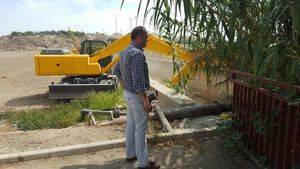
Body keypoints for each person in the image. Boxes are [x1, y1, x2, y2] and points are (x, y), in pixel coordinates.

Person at [113, 26, 160, 169]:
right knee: (141, 128)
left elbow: (116, 71)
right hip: (136, 96)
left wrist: (126, 85)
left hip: (128, 94)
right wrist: (145, 100)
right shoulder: (137, 54)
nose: (147, 40)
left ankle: (131, 154)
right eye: (146, 37)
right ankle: (144, 163)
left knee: (132, 125)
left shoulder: (125, 51)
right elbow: (139, 81)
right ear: (139, 36)